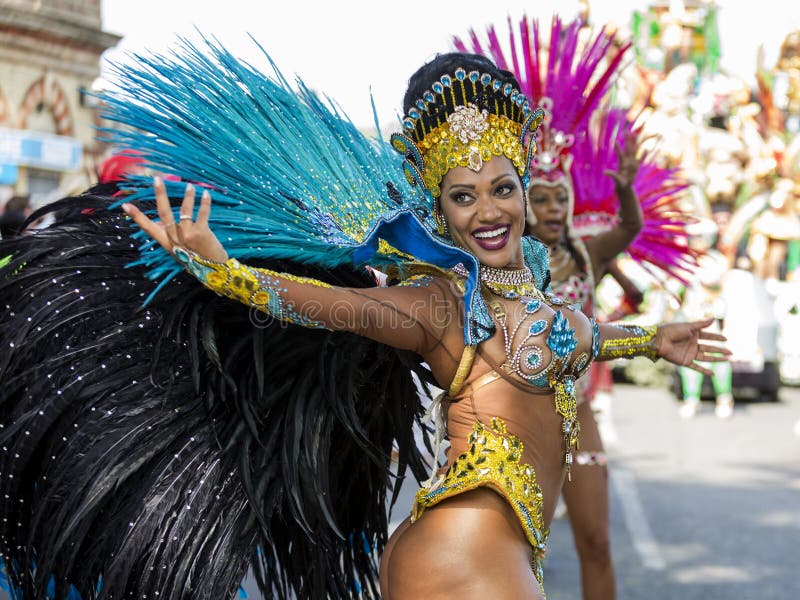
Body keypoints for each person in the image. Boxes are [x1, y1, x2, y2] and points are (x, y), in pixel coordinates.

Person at [1, 40, 727, 600]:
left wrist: (650, 341)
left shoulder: (530, 284)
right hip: (466, 546)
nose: (490, 211)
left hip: (492, 545)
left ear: (523, 187)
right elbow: (335, 306)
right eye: (464, 196)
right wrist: (226, 271)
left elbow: (565, 341)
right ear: (437, 210)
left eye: (502, 188)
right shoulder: (440, 305)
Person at [454, 16, 697, 600]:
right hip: (514, 416)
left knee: (595, 541)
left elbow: (631, 228)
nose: (556, 207)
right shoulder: (502, 261)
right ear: (524, 207)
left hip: (578, 411)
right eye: (541, 197)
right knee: (509, 554)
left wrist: (625, 189)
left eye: (561, 197)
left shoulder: (588, 251)